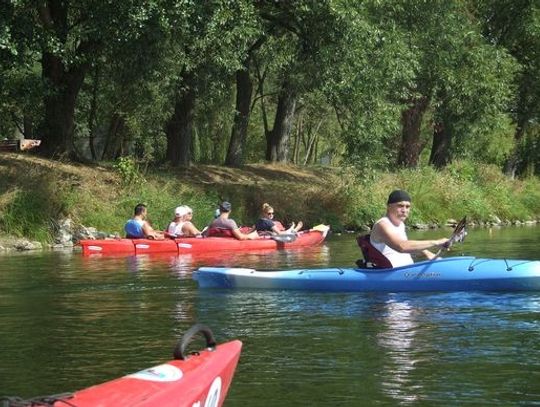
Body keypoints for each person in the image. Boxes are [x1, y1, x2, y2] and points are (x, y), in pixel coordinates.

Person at [369, 190, 449, 267]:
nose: (404, 210)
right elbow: (402, 246)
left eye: (407, 207)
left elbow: (406, 243)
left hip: (408, 271)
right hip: (390, 274)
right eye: (400, 206)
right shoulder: (382, 225)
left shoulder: (401, 224)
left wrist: (426, 252)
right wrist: (436, 242)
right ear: (389, 207)